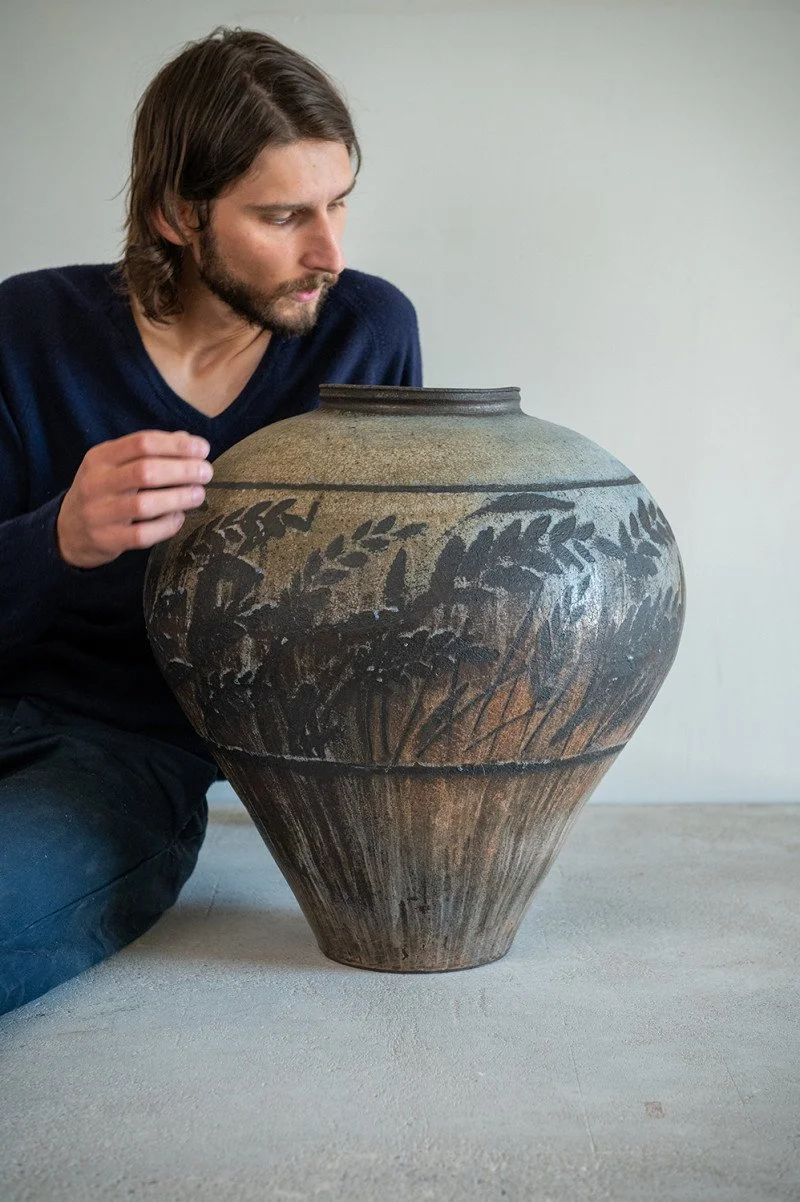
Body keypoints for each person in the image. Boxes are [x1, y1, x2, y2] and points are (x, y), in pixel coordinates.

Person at [0, 27, 422, 1015]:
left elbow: (379, 619)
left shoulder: (366, 332)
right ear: (175, 215)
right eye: (283, 216)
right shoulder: (25, 330)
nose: (329, 252)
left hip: (119, 753)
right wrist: (57, 535)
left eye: (338, 202)